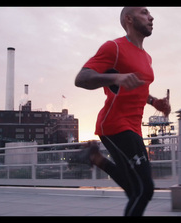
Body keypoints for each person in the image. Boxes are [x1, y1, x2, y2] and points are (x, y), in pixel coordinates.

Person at [71, 7, 171, 216]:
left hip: (134, 127)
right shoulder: (114, 48)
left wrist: (155, 102)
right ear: (129, 19)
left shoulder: (147, 58)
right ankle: (96, 158)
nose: (151, 17)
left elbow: (136, 87)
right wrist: (115, 78)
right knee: (145, 190)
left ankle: (96, 158)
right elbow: (81, 78)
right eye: (144, 12)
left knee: (134, 188)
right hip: (115, 124)